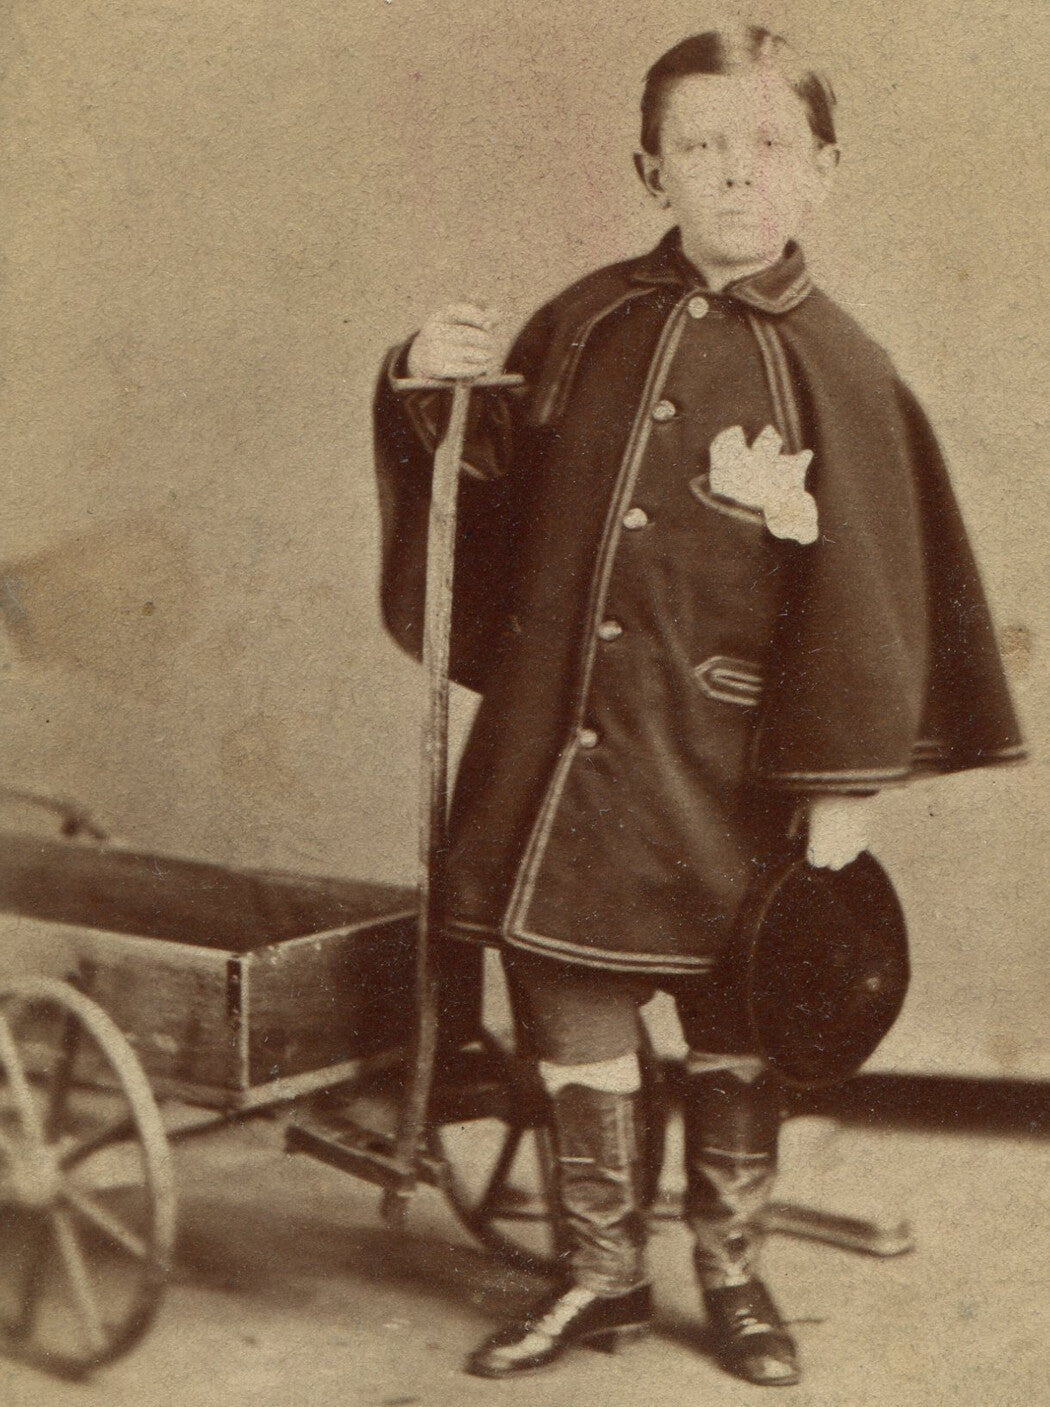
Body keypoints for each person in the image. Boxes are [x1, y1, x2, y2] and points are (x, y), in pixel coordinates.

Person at [372, 27, 1024, 1388]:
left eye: (767, 147)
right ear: (648, 168)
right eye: (699, 149)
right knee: (570, 1011)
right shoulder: (589, 321)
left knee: (734, 1030)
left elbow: (868, 605)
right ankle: (600, 1277)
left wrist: (838, 796)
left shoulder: (838, 371)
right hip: (565, 755)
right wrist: (422, 386)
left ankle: (729, 1273)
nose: (735, 177)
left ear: (822, 171)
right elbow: (478, 488)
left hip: (731, 776)